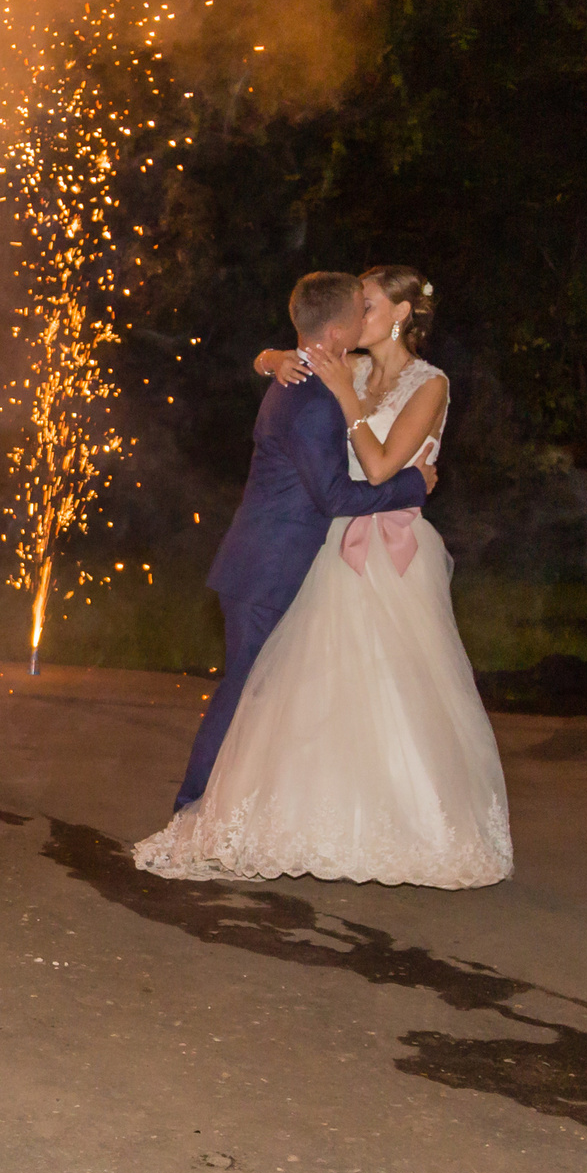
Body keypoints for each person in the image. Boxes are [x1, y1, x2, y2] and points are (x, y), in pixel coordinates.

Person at [135, 265, 513, 887]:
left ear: (397, 315)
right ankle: (278, 816)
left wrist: (345, 402)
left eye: (368, 304)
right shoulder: (350, 369)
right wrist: (271, 357)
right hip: (326, 547)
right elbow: (300, 368)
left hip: (388, 554)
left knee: (392, 696)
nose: (356, 315)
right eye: (355, 305)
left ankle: (396, 824)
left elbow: (383, 463)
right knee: (305, 692)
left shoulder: (429, 384)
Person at [155, 271, 435, 819]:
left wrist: (268, 356)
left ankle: (266, 811)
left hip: (281, 561)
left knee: (278, 695)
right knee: (246, 693)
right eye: (360, 308)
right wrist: (413, 486)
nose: (365, 315)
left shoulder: (318, 373)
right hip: (269, 567)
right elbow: (332, 493)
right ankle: (193, 807)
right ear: (337, 330)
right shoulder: (313, 397)